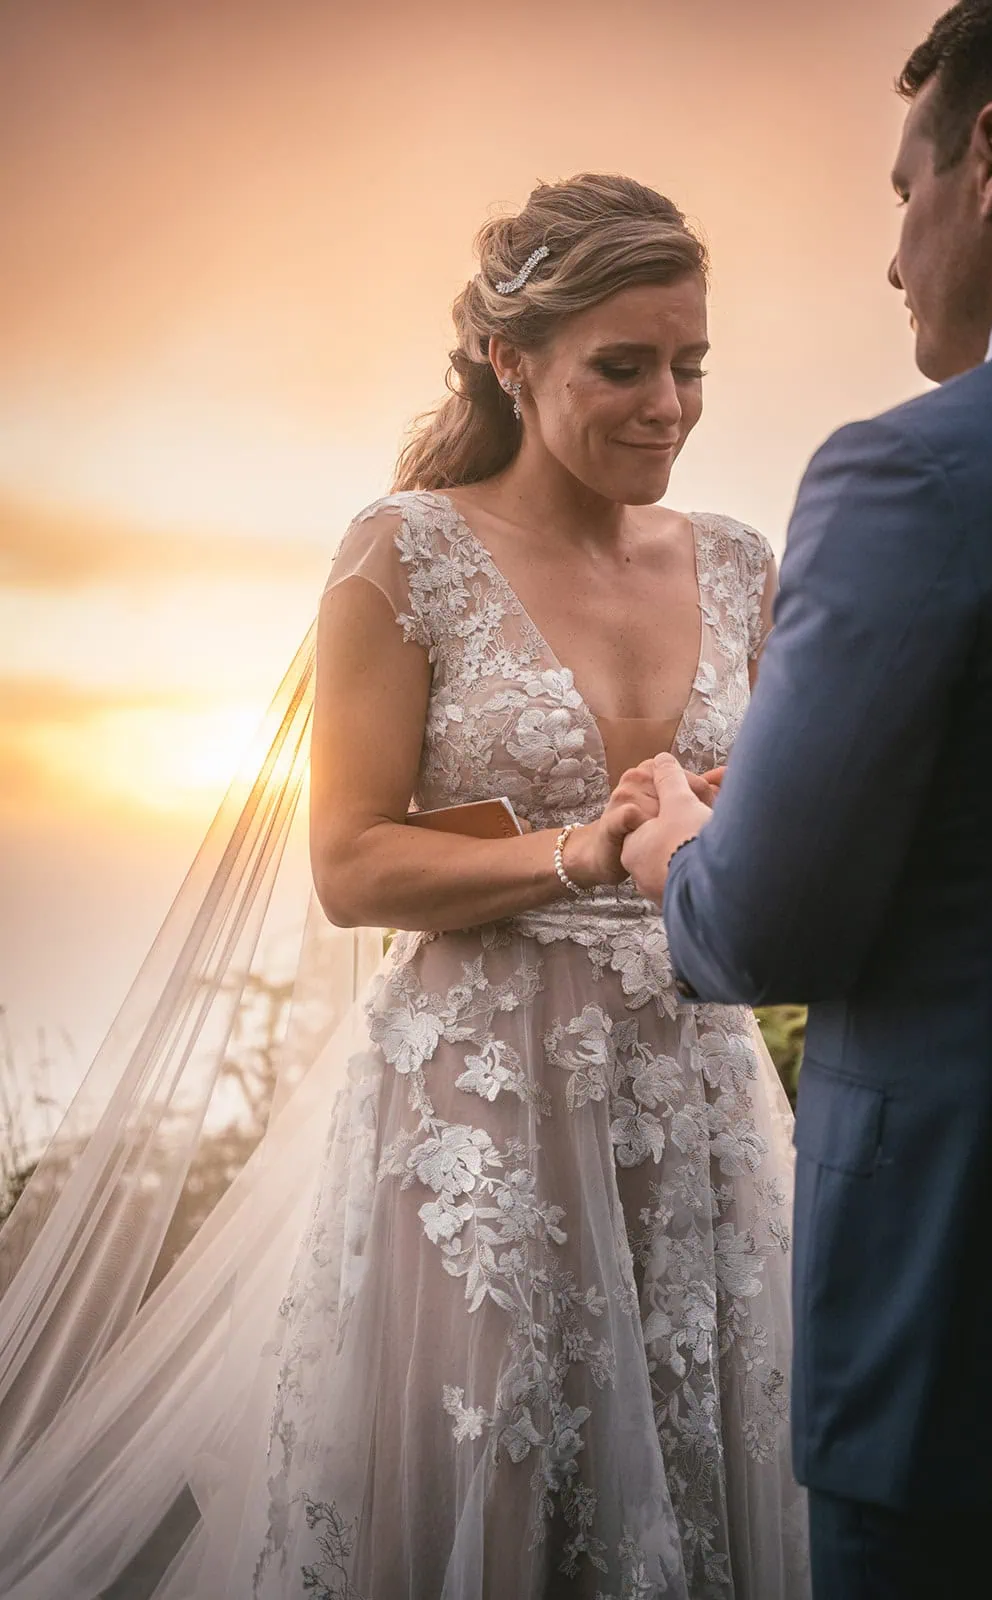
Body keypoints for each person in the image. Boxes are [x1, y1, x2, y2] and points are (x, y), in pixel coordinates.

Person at [0, 174, 808, 1599]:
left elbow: (795, 809)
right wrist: (581, 850)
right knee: (484, 1473)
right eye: (621, 367)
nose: (668, 405)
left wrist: (738, 812)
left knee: (711, 1462)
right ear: (512, 360)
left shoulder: (743, 563)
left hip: (694, 1092)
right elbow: (348, 859)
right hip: (480, 1105)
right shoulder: (408, 551)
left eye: (688, 366)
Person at [622, 4, 992, 1597]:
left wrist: (689, 842)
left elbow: (769, 917)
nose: (891, 258)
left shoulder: (918, 475)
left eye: (901, 191)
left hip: (986, 1325)